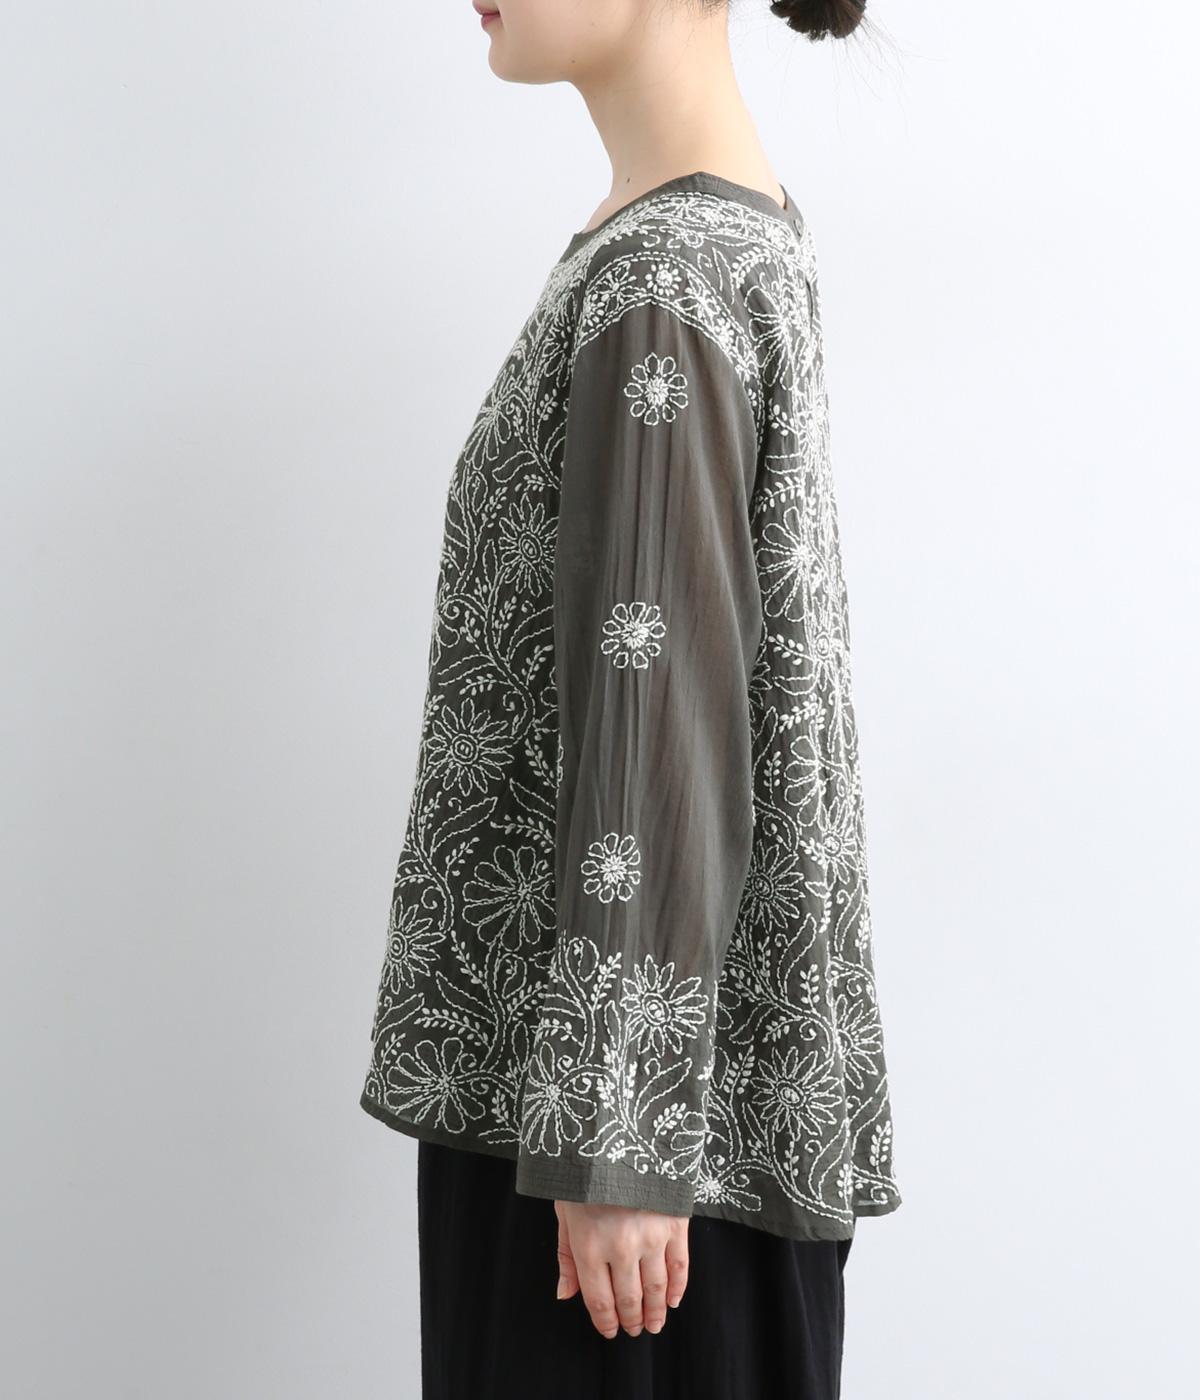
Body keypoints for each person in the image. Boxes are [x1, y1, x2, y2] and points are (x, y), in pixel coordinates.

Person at [360, 3, 902, 1395]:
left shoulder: (663, 276)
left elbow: (661, 706)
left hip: (619, 1170)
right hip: (653, 1130)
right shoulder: (725, 233)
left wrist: (618, 1134)